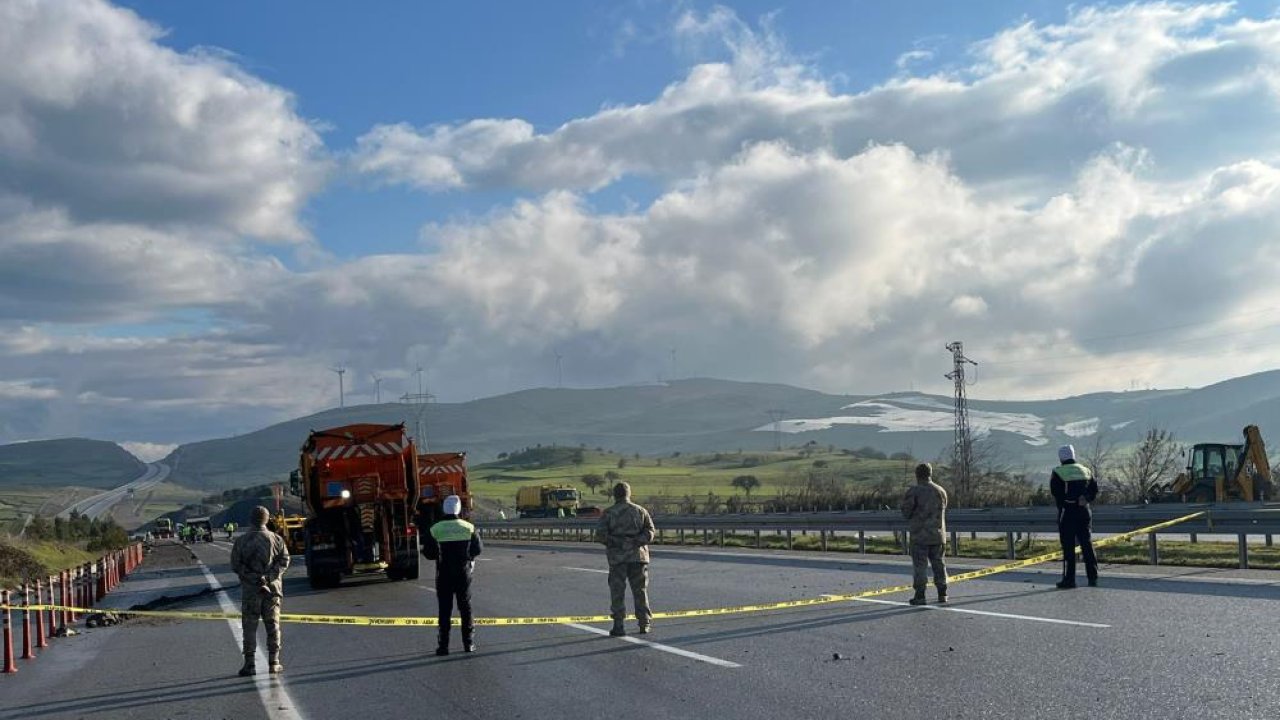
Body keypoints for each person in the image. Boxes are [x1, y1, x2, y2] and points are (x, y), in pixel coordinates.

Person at [229, 506, 290, 676]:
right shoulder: (277, 539)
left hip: (250, 591)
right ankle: (274, 662)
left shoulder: (241, 541)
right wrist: (269, 577)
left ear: (251, 519)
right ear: (267, 519)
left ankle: (250, 664)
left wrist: (252, 578)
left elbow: (236, 565)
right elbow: (284, 560)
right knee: (273, 625)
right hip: (272, 590)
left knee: (249, 627)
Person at [423, 495, 482, 656]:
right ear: (458, 510)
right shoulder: (468, 527)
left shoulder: (436, 529)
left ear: (444, 509)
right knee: (465, 607)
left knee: (444, 609)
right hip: (463, 573)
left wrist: (439, 555)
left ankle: (443, 647)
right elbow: (477, 550)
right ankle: (468, 644)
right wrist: (467, 557)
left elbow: (428, 552)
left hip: (444, 573)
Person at [595, 482, 656, 636]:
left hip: (618, 558)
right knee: (640, 591)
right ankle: (644, 623)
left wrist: (617, 542)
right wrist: (636, 541)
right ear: (629, 493)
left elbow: (600, 535)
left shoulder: (609, 513)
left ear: (615, 495)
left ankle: (619, 625)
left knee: (617, 592)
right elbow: (650, 531)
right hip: (638, 557)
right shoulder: (640, 511)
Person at [1051, 444, 1099, 589]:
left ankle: (1069, 579)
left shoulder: (1058, 472)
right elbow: (1094, 490)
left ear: (1061, 458)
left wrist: (1065, 504)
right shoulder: (1085, 470)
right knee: (1087, 544)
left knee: (1068, 546)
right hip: (1084, 511)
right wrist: (1086, 498)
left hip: (1067, 512)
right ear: (1073, 455)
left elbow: (1056, 493)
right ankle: (1093, 577)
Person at [900, 462, 948, 605]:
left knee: (920, 566)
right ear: (930, 473)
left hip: (920, 535)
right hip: (938, 535)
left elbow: (906, 512)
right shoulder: (941, 491)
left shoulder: (914, 491)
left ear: (917, 475)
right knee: (939, 564)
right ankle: (942, 593)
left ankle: (920, 595)